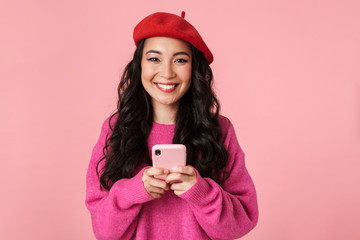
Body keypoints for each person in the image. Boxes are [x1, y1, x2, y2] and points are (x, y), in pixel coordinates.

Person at [85, 11, 258, 240]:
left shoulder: (219, 131)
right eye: (154, 58)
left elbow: (242, 223)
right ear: (139, 66)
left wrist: (201, 193)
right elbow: (103, 231)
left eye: (180, 60)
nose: (167, 73)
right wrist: (132, 192)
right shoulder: (116, 129)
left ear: (194, 68)